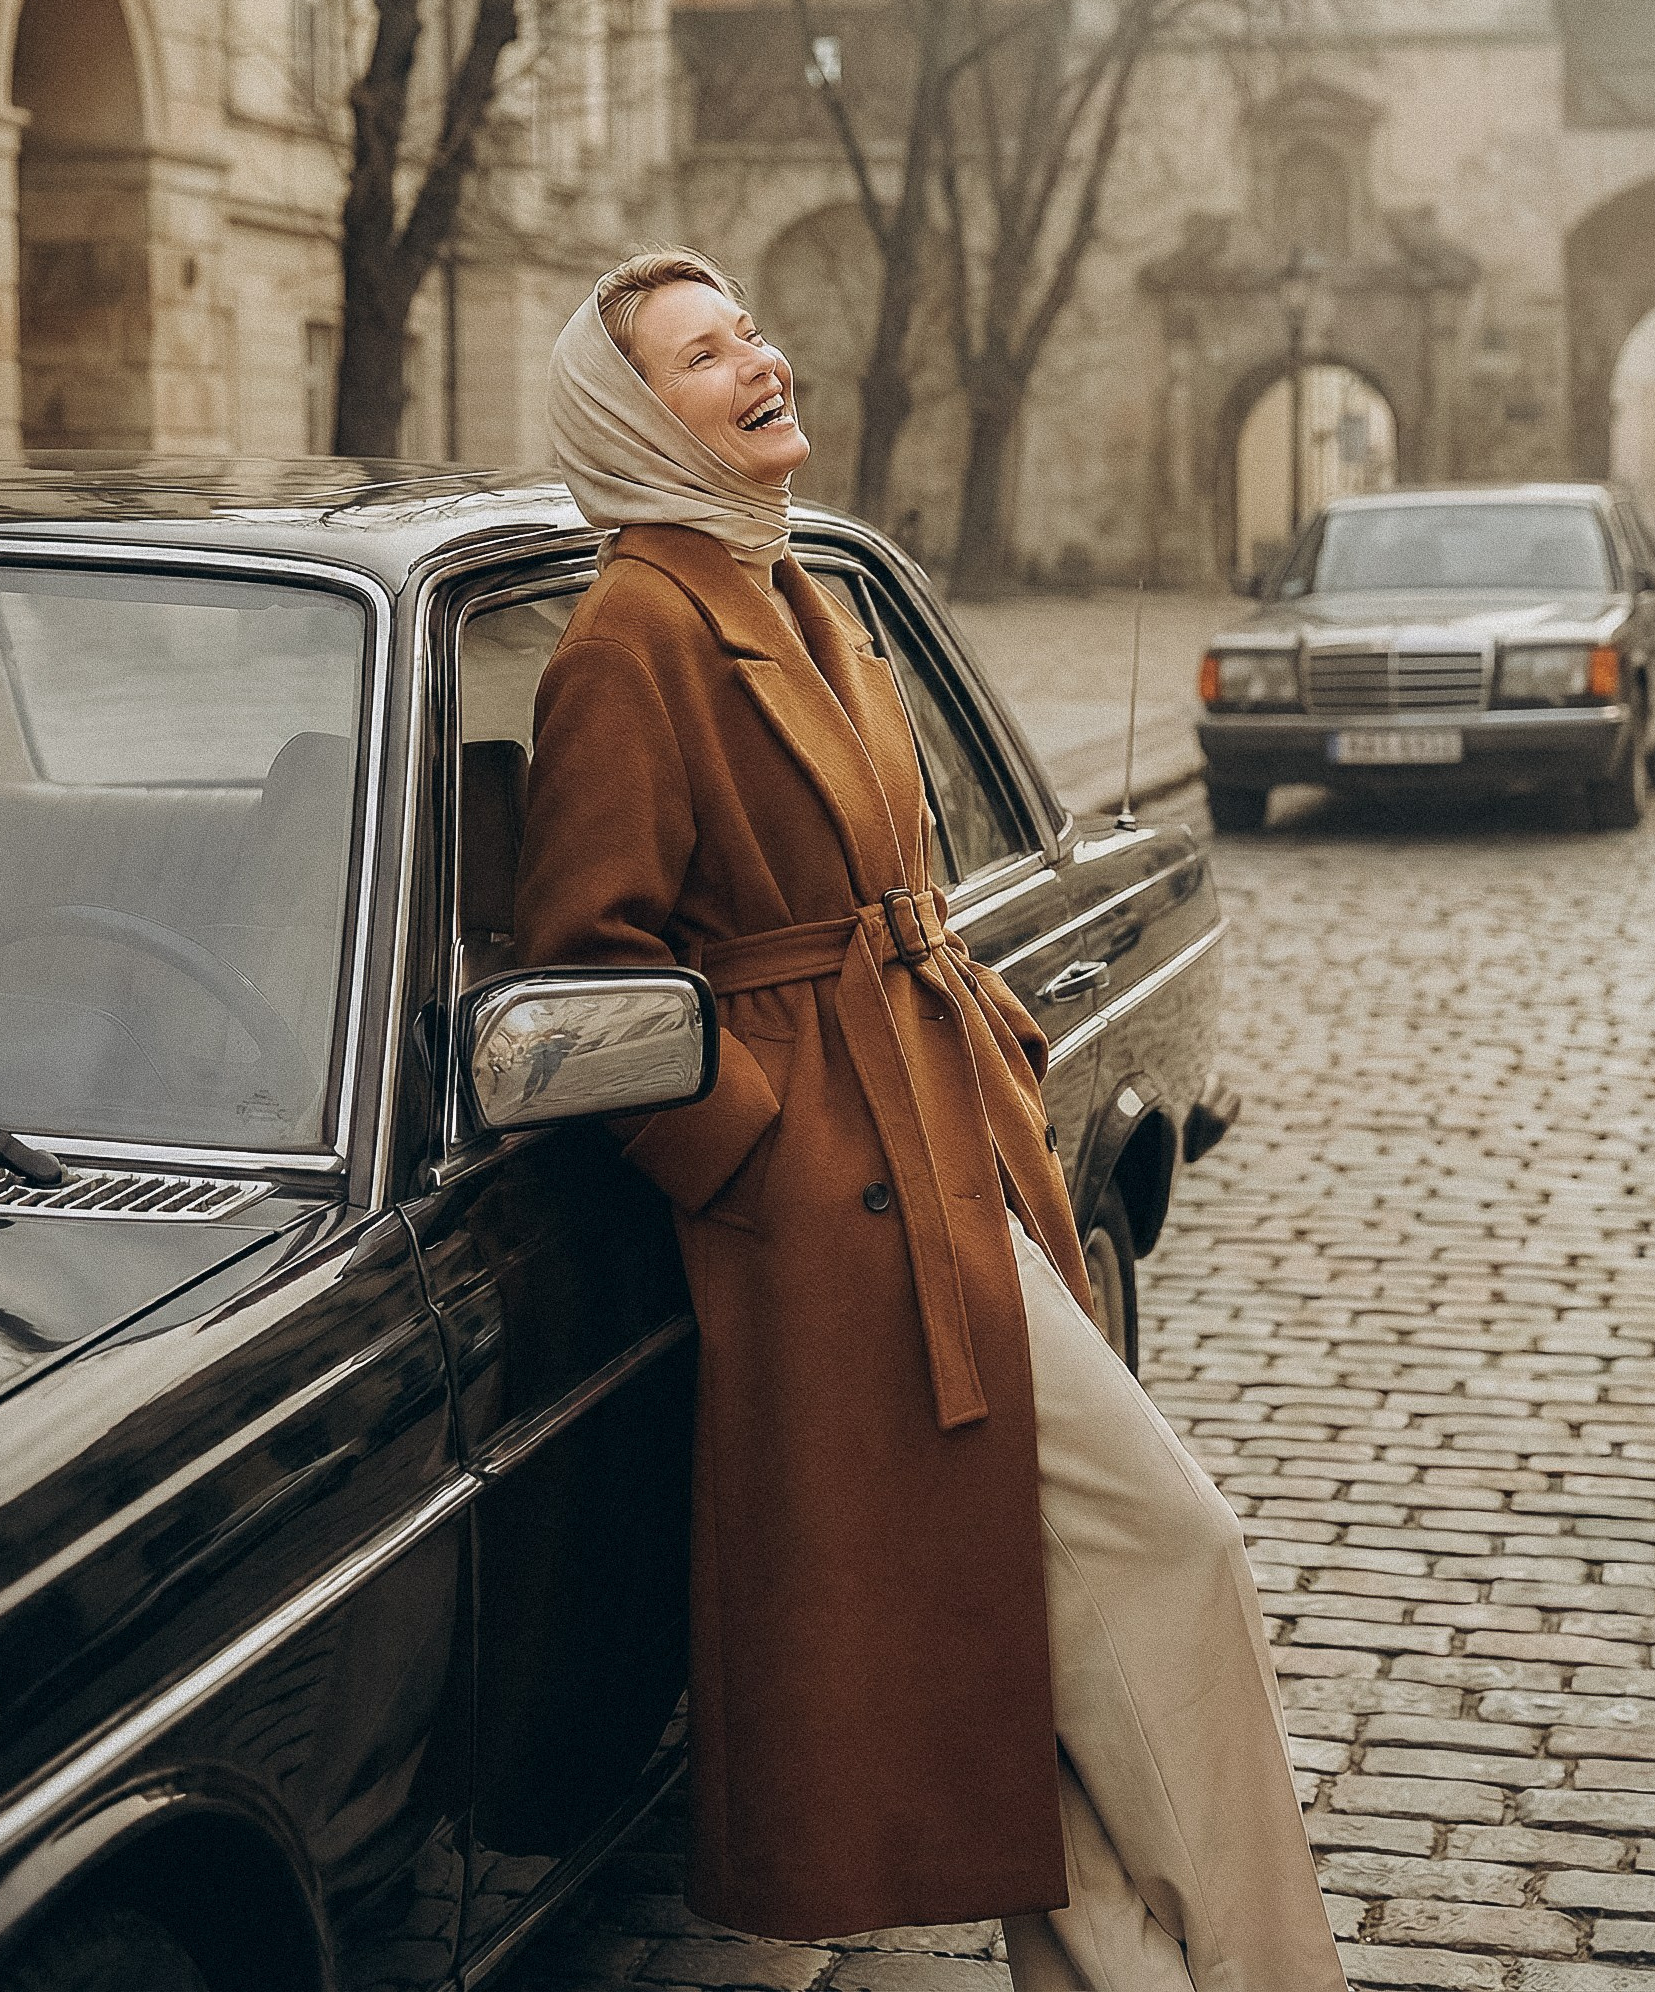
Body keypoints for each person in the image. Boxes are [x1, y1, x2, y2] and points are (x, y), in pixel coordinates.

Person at [514, 249, 1347, 1992]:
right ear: (629, 419)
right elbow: (586, 959)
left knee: (1029, 1650)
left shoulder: (806, 587)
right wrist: (764, 1163)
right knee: (1168, 1557)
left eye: (752, 328)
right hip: (844, 1217)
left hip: (948, 1138)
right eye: (701, 353)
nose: (759, 359)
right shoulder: (626, 639)